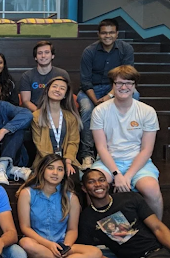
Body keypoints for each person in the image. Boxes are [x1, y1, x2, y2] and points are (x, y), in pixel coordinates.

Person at [90, 65, 163, 219]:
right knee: (94, 185)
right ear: (113, 85)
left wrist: (127, 176)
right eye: (119, 83)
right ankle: (99, 233)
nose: (124, 87)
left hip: (137, 162)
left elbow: (146, 150)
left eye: (128, 83)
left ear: (134, 86)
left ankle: (158, 232)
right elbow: (101, 147)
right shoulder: (100, 111)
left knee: (151, 190)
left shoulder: (147, 111)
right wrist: (117, 173)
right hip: (108, 161)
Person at [77, 18, 137, 170]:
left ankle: (127, 151)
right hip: (91, 91)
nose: (107, 36)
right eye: (104, 33)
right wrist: (96, 101)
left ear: (116, 34)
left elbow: (127, 77)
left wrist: (109, 96)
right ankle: (87, 155)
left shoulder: (126, 49)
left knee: (135, 96)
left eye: (111, 33)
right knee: (87, 109)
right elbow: (85, 81)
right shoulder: (89, 51)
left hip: (117, 87)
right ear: (99, 34)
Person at [16, 154, 102, 258]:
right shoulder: (27, 193)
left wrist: (64, 248)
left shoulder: (71, 197)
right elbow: (25, 228)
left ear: (64, 174)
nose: (55, 173)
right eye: (50, 168)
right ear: (42, 170)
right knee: (25, 243)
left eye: (60, 169)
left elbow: (72, 230)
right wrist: (49, 245)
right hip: (39, 245)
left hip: (62, 245)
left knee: (96, 252)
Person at [77, 169, 170, 258]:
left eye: (101, 180)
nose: (98, 184)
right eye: (91, 182)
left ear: (107, 184)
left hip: (155, 252)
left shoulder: (130, 198)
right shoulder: (86, 218)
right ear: (84, 188)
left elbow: (158, 228)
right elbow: (89, 251)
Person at [31, 76, 82, 174]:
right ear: (47, 90)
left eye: (62, 88)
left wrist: (67, 162)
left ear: (65, 95)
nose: (58, 90)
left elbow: (73, 142)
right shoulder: (36, 116)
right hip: (45, 161)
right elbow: (40, 145)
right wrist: (56, 165)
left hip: (68, 162)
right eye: (55, 86)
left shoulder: (71, 117)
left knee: (76, 177)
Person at [19, 41, 70, 112]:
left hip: (56, 112)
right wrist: (40, 114)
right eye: (40, 53)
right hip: (34, 112)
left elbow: (67, 98)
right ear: (35, 57)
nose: (43, 56)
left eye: (47, 52)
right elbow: (26, 101)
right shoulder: (27, 76)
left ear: (52, 56)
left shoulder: (62, 74)